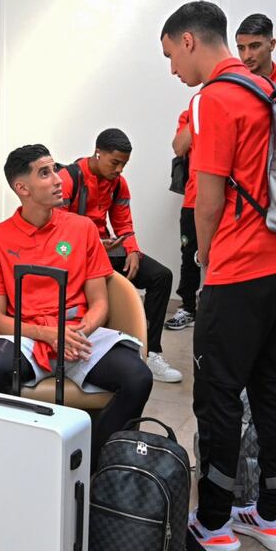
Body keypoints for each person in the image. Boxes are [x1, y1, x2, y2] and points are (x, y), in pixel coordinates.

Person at [161, 0, 276, 551]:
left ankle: (215, 523)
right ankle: (275, 517)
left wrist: (205, 260)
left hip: (243, 266)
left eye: (171, 57)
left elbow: (208, 198)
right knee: (271, 385)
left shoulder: (215, 99)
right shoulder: (270, 89)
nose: (174, 71)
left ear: (188, 41)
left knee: (218, 393)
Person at [0, 144, 154, 469]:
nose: (58, 179)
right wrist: (48, 334)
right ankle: (11, 459)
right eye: (45, 173)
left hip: (79, 332)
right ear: (22, 188)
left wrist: (76, 333)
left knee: (138, 377)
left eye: (55, 169)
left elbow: (100, 303)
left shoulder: (82, 228)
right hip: (27, 334)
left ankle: (93, 465)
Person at [58, 128, 182, 383]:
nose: (119, 170)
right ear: (98, 152)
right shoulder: (68, 178)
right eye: (115, 163)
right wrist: (90, 242)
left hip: (105, 250)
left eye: (124, 165)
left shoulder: (118, 184)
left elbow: (124, 224)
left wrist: (133, 250)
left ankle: (151, 352)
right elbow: (55, 229)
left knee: (161, 276)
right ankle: (93, 353)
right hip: (70, 252)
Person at [165, 107, 199, 332]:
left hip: (230, 202)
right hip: (193, 201)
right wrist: (202, 109)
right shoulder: (191, 113)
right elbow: (179, 147)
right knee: (190, 255)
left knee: (224, 257)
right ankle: (188, 307)